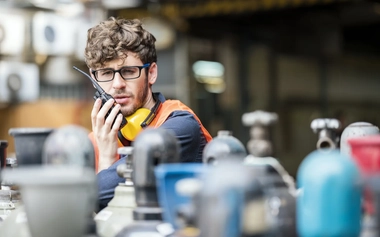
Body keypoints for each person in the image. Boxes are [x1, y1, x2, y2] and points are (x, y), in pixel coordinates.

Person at [84, 17, 213, 210]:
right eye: (106, 73)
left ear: (151, 73)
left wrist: (106, 160)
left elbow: (96, 196)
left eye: (128, 71)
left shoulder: (181, 127)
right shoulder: (93, 142)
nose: (117, 84)